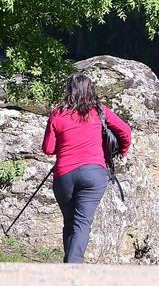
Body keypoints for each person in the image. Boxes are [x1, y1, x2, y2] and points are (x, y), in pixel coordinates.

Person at [42, 73, 132, 263]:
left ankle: (70, 265)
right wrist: (122, 152)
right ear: (90, 90)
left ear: (68, 90)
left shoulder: (57, 114)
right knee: (82, 223)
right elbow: (125, 130)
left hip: (64, 174)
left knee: (69, 222)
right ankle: (73, 267)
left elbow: (48, 149)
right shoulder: (99, 111)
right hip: (94, 173)